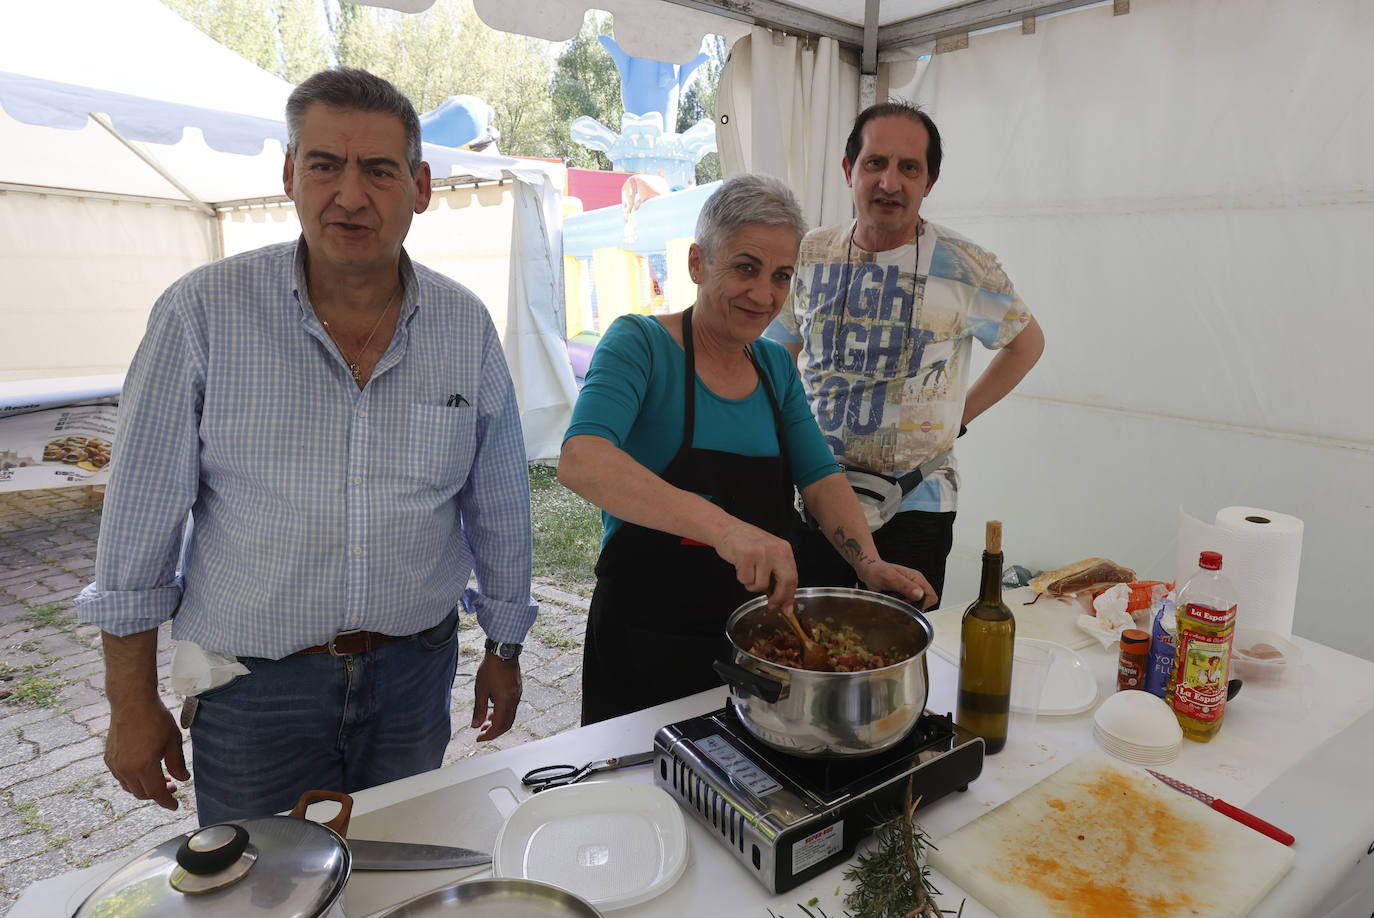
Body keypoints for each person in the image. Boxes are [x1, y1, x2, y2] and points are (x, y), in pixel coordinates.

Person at [75, 68, 537, 826]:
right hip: (256, 691)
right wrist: (131, 702)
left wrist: (506, 647)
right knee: (262, 896)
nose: (350, 195)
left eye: (379, 171)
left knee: (395, 874)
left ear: (419, 186)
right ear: (291, 174)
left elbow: (499, 505)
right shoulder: (202, 315)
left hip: (415, 677)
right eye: (325, 164)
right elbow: (137, 526)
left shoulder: (464, 326)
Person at [558, 174, 937, 725]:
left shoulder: (775, 367)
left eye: (782, 276)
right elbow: (582, 459)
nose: (764, 295)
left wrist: (870, 564)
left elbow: (820, 477)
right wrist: (728, 530)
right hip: (645, 640)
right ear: (696, 263)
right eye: (745, 267)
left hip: (757, 644)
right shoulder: (638, 344)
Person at [767, 102, 1045, 605]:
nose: (890, 183)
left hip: (916, 501)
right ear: (850, 169)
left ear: (929, 182)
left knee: (894, 653)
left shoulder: (966, 266)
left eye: (909, 168)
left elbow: (1026, 343)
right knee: (809, 641)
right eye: (875, 163)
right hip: (814, 493)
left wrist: (962, 414)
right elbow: (778, 356)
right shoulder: (810, 252)